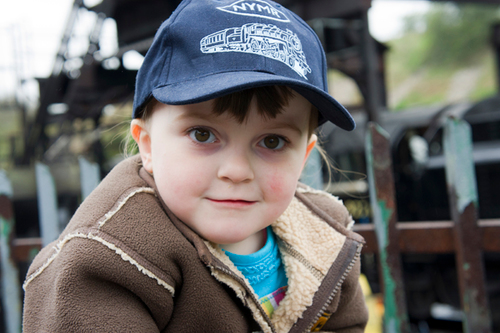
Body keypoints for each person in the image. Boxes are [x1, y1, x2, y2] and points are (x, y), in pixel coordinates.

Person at [22, 0, 368, 332]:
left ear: (304, 157)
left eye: (272, 141)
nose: (236, 170)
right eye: (203, 134)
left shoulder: (326, 239)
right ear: (148, 145)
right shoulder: (107, 261)